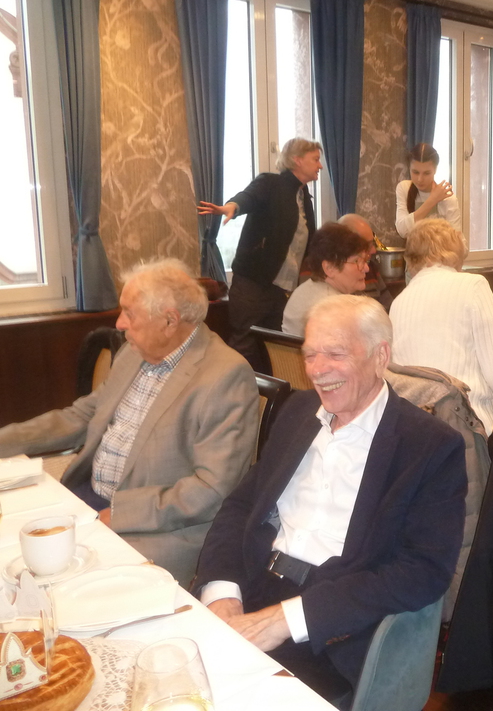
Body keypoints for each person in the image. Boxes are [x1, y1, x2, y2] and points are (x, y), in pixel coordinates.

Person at [193, 295, 467, 700]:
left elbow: (424, 570)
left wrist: (286, 620)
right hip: (252, 582)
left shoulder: (429, 445)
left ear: (380, 356)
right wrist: (222, 594)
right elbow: (241, 506)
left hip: (332, 624)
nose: (318, 370)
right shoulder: (298, 412)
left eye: (335, 354)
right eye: (310, 355)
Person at [0, 259, 258, 585]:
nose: (119, 324)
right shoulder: (134, 353)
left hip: (155, 528)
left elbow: (210, 490)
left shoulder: (225, 376)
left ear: (169, 320)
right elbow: (81, 415)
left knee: (37, 584)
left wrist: (120, 514)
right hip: (90, 497)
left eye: (130, 314)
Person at [199, 138, 320, 372]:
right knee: (244, 345)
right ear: (297, 160)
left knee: (272, 348)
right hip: (252, 285)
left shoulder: (302, 195)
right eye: (315, 159)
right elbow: (248, 197)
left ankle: (269, 395)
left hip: (280, 289)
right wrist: (232, 207)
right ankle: (238, 392)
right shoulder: (270, 183)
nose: (320, 165)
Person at [390, 219, 493, 434]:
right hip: (468, 426)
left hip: (415, 427)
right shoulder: (473, 285)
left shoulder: (398, 303)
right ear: (453, 254)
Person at [281, 223, 370, 336]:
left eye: (365, 261)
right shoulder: (335, 308)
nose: (366, 268)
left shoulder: (301, 291)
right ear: (329, 268)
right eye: (356, 261)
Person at [394, 143, 462, 238]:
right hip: (413, 248)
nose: (420, 179)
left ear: (435, 170)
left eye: (426, 173)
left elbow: (458, 239)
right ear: (409, 168)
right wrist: (432, 200)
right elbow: (402, 230)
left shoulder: (447, 198)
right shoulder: (404, 188)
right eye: (415, 172)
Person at [338, 213, 393, 312]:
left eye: (373, 244)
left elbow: (389, 308)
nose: (373, 250)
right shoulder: (332, 276)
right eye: (367, 245)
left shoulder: (370, 267)